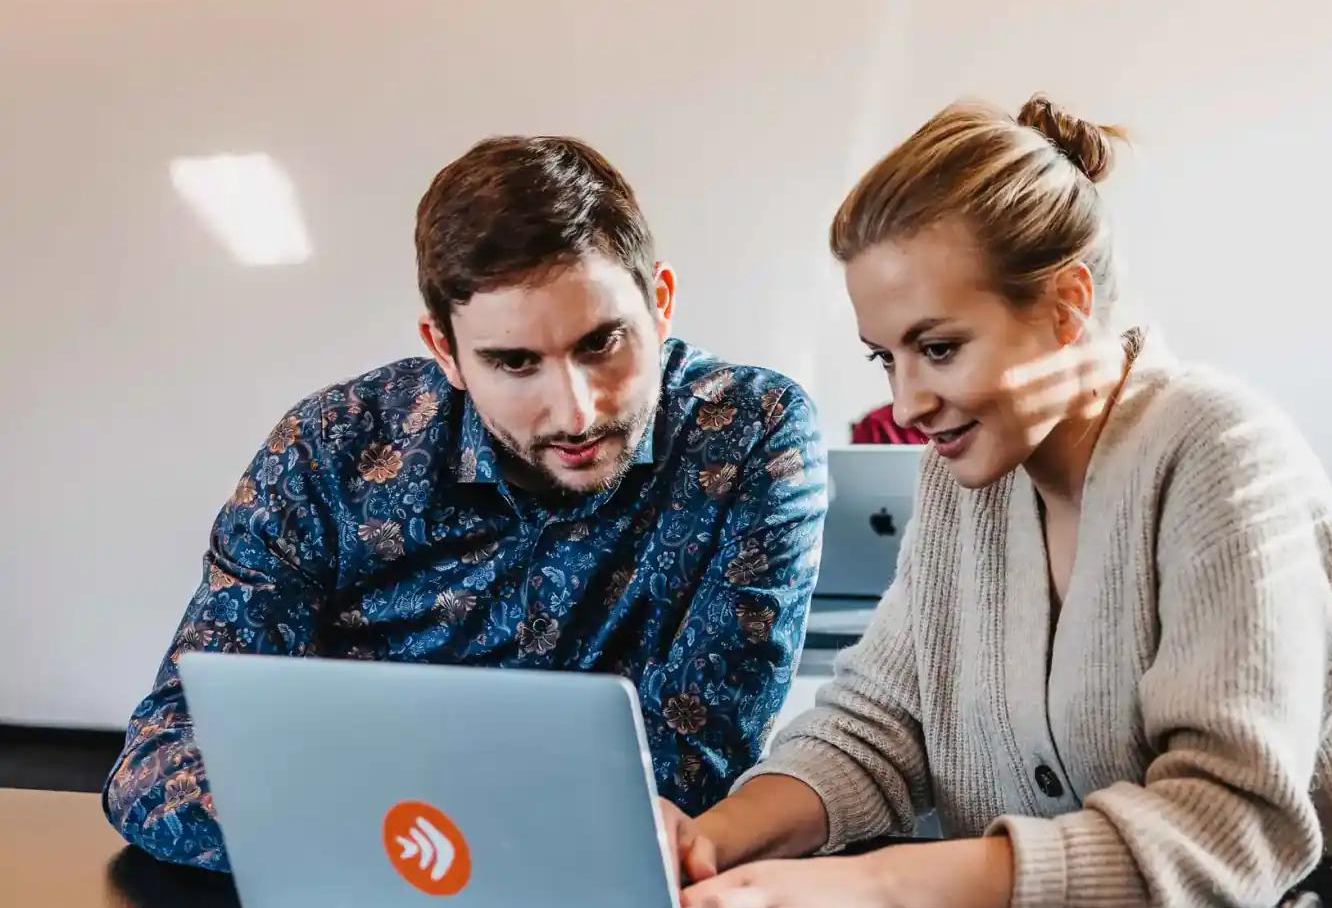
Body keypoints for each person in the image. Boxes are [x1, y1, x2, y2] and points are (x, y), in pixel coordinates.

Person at [663, 96, 1332, 908]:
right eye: (885, 359)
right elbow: (882, 722)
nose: (907, 403)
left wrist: (880, 889)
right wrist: (711, 844)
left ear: (1068, 305)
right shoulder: (963, 482)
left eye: (938, 348)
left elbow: (1228, 822)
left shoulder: (1222, 453)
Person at [104, 137, 827, 870]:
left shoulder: (748, 433)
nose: (576, 412)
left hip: (593, 901)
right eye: (514, 362)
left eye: (602, 344)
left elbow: (693, 775)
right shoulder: (332, 445)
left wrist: (380, 819)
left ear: (660, 303)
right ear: (444, 349)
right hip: (350, 892)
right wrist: (398, 847)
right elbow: (163, 758)